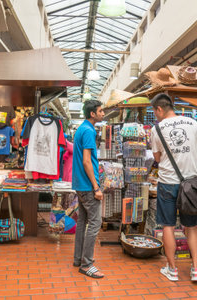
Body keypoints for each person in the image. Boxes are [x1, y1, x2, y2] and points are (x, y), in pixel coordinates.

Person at [150, 93, 197, 282]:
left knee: (168, 226)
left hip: (167, 183)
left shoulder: (156, 129)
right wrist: (191, 162)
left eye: (154, 111)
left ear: (159, 109)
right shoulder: (192, 123)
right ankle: (196, 269)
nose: (155, 115)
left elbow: (157, 159)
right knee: (191, 226)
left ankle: (172, 269)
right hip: (190, 184)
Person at [72, 100, 105, 279]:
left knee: (82, 222)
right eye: (100, 111)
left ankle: (78, 258)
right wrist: (96, 186)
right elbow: (86, 161)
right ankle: (87, 264)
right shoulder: (89, 131)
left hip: (80, 183)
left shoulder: (82, 128)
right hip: (87, 185)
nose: (103, 114)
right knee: (95, 223)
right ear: (92, 114)